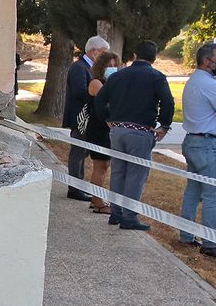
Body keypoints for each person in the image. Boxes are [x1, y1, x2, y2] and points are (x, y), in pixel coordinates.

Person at [95, 40, 175, 231]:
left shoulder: (118, 76)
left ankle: (115, 212)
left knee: (118, 171)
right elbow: (168, 103)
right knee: (136, 175)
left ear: (134, 55)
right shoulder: (157, 77)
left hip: (117, 130)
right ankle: (129, 216)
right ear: (154, 58)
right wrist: (164, 125)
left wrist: (106, 118)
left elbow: (100, 99)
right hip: (141, 131)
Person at [178, 42, 216, 260]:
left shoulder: (195, 80)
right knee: (214, 194)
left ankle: (186, 235)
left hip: (193, 141)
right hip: (208, 144)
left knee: (193, 191)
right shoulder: (210, 85)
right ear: (207, 61)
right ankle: (211, 243)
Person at [62, 36, 112, 201]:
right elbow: (79, 92)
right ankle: (74, 188)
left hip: (88, 118)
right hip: (80, 118)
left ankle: (79, 185)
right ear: (95, 51)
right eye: (104, 53)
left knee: (83, 152)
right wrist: (96, 90)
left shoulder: (89, 68)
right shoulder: (80, 67)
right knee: (78, 151)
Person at [80, 52, 120, 213]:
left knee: (104, 165)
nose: (112, 68)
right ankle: (97, 201)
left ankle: (96, 200)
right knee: (100, 166)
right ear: (101, 67)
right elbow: (108, 103)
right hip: (98, 129)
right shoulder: (96, 82)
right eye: (108, 66)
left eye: (114, 65)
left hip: (106, 129)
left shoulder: (111, 83)